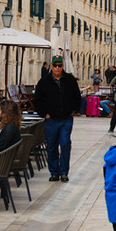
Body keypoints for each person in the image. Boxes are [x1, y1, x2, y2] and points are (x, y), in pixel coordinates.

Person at [33, 55, 82, 183]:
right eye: (55, 65)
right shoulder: (44, 82)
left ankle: (64, 172)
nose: (57, 68)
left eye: (59, 65)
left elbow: (77, 96)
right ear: (51, 66)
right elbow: (37, 100)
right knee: (51, 146)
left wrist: (74, 110)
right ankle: (54, 172)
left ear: (62, 66)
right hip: (51, 119)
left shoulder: (70, 80)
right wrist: (45, 114)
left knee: (65, 143)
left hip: (66, 118)